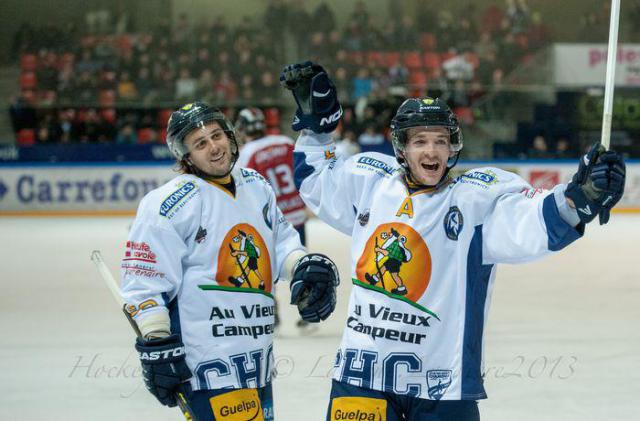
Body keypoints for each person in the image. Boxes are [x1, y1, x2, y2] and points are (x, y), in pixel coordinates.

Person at [280, 62, 626, 420]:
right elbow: (317, 178)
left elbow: (529, 222)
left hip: (442, 389)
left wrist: (575, 201)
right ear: (401, 147)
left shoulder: (476, 199)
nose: (431, 152)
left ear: (452, 147)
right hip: (361, 376)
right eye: (420, 141)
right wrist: (316, 130)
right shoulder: (369, 180)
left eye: (440, 141)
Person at [120, 101, 340, 420]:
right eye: (200, 143)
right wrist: (156, 342)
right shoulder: (167, 205)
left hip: (256, 360)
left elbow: (280, 243)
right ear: (186, 156)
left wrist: (302, 266)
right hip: (206, 367)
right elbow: (144, 284)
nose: (214, 148)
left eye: (217, 136)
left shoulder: (255, 185)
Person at [235, 107, 314, 332]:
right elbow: (304, 170)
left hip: (271, 220)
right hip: (296, 214)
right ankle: (308, 310)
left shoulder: (247, 152)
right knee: (297, 260)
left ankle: (273, 315)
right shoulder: (284, 142)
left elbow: (245, 189)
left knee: (266, 266)